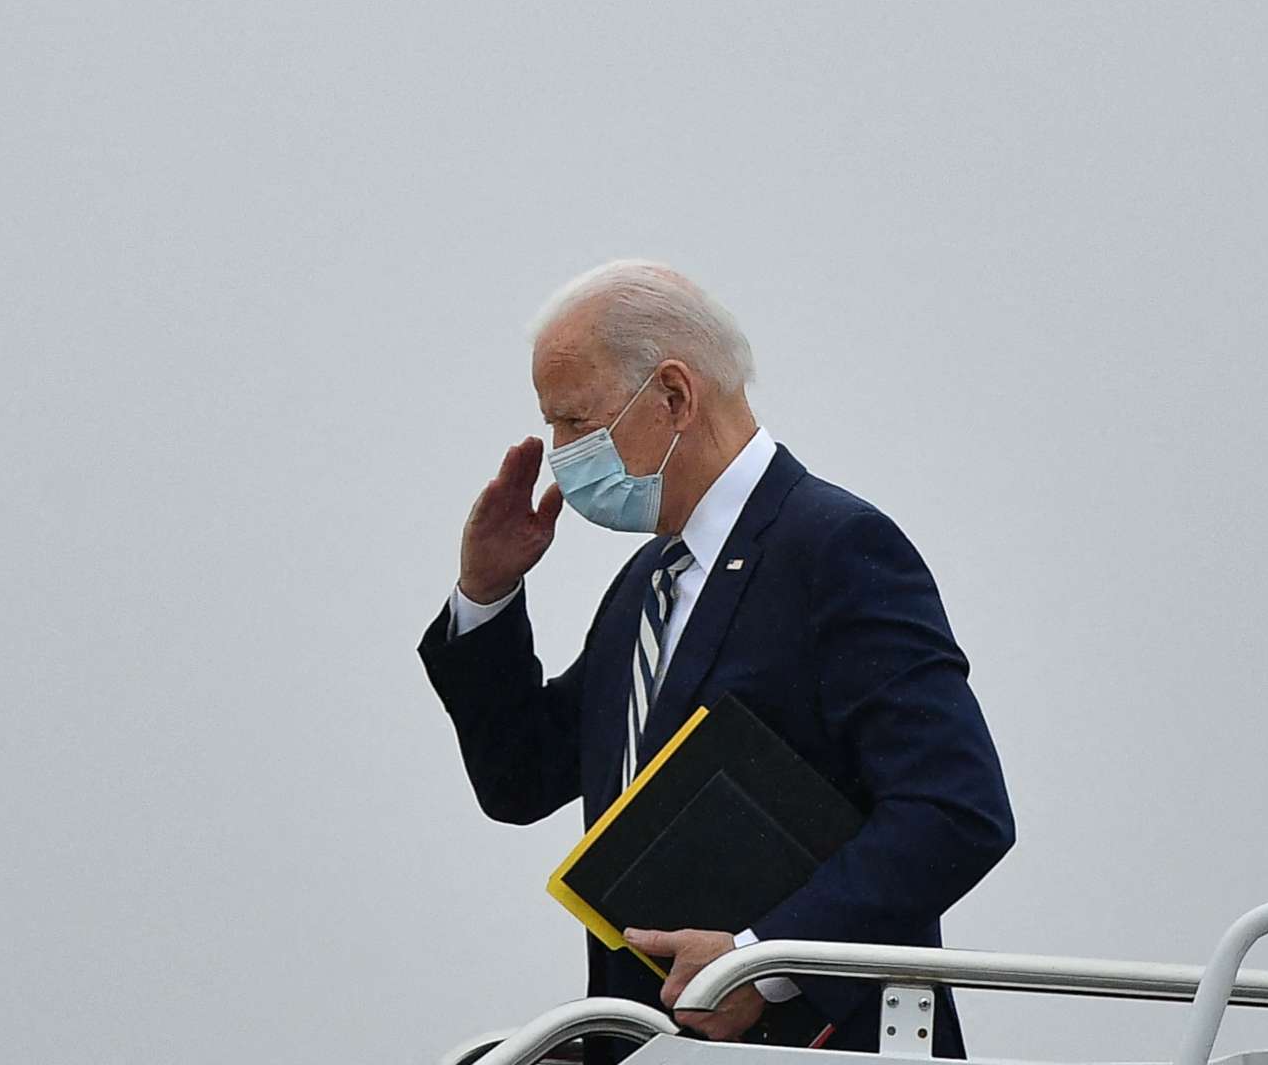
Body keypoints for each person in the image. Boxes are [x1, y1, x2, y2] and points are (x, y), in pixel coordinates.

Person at [420, 261, 1015, 1057]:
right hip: (654, 1043)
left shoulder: (833, 548)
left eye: (575, 422)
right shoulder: (648, 583)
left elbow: (956, 807)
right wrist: (485, 597)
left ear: (672, 397)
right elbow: (522, 779)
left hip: (816, 1042)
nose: (558, 456)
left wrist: (764, 960)